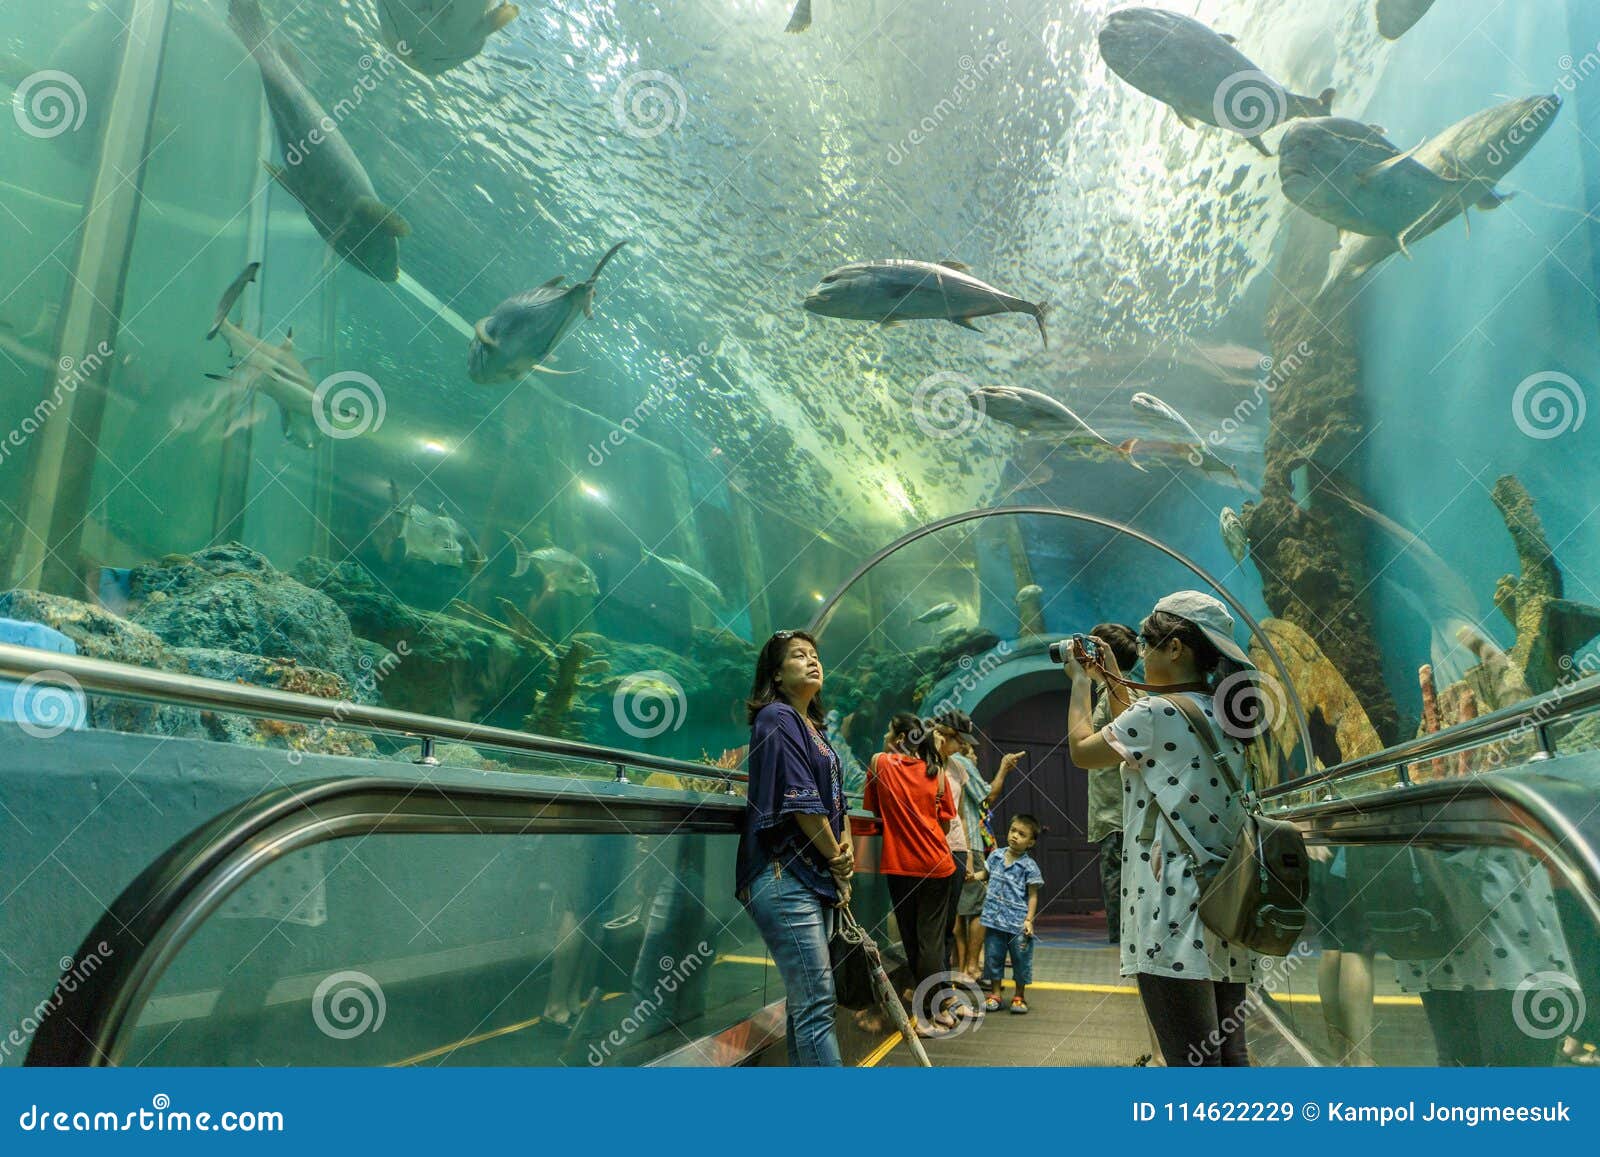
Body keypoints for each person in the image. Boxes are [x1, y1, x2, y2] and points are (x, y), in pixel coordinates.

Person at [1064, 591, 1260, 1067]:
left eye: (1149, 643)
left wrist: (1078, 683)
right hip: (1225, 910)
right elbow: (1143, 731)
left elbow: (1082, 751)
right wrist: (1111, 675)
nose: (1144, 653)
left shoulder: (1157, 715)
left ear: (1176, 649)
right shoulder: (1223, 713)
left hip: (1172, 918)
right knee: (1229, 1061)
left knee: (1192, 1068)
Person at [735, 630, 853, 1067]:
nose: (812, 661)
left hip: (810, 874)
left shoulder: (812, 727)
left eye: (815, 655)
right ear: (777, 675)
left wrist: (845, 848)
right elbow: (802, 804)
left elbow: (836, 801)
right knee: (818, 1001)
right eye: (798, 656)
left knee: (808, 1004)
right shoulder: (777, 717)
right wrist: (837, 859)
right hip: (784, 873)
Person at [865, 712, 958, 1036]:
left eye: (889, 731)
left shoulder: (880, 764)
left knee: (915, 943)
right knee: (929, 942)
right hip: (938, 864)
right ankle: (939, 1010)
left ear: (900, 738)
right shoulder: (937, 773)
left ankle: (930, 1015)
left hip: (900, 865)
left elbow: (874, 810)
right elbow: (945, 823)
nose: (885, 738)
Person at [931, 712, 1022, 982]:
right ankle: (970, 967)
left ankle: (958, 969)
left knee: (955, 911)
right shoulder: (957, 764)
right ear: (947, 737)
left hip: (949, 845)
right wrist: (1004, 768)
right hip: (961, 844)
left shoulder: (940, 762)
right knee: (976, 907)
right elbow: (987, 795)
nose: (964, 750)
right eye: (960, 742)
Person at [1083, 623, 1140, 946]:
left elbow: (1083, 747)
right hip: (1114, 813)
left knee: (1121, 891)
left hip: (1120, 815)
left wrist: (1080, 682)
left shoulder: (1123, 695)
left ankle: (1130, 964)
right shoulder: (1111, 693)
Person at [978, 814, 1043, 1014]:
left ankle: (1019, 996)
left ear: (1030, 842)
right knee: (993, 957)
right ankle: (996, 994)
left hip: (1017, 923)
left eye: (1022, 834)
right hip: (994, 920)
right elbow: (985, 875)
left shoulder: (1029, 866)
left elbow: (1032, 896)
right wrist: (973, 876)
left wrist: (1029, 920)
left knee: (1020, 959)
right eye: (1013, 830)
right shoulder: (996, 856)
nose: (1015, 836)